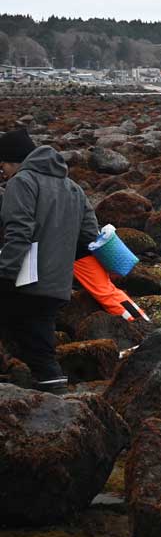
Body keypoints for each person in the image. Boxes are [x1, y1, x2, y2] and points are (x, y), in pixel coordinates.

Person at [0, 128, 99, 394]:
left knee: (40, 353)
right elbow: (90, 235)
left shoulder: (22, 182)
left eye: (3, 167)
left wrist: (6, 273)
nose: (4, 173)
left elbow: (18, 231)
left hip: (24, 280)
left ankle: (54, 404)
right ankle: (47, 391)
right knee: (37, 341)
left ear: (13, 161)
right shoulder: (73, 187)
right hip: (58, 283)